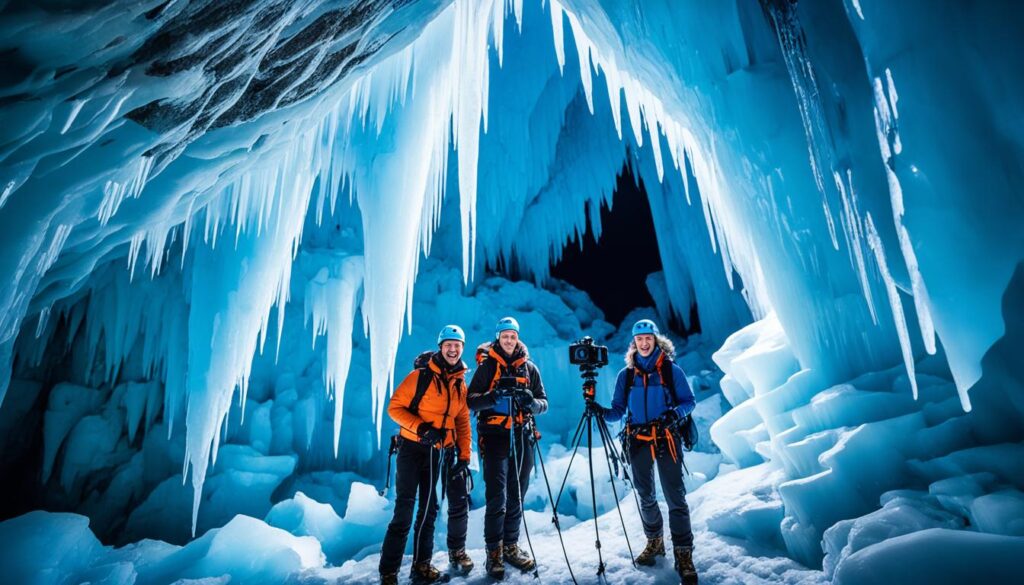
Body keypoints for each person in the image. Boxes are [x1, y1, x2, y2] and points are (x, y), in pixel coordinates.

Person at [594, 319, 699, 584]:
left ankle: (684, 554)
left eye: (648, 338)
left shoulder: (670, 370)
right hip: (637, 438)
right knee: (645, 495)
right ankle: (655, 543)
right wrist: (601, 412)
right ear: (634, 343)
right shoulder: (626, 375)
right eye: (639, 339)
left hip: (666, 437)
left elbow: (689, 401)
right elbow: (618, 411)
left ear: (655, 340)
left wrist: (673, 416)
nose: (644, 343)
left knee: (675, 496)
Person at [379, 325, 474, 585]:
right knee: (404, 511)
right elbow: (394, 408)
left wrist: (464, 456)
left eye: (457, 345)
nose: (453, 349)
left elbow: (463, 421)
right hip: (412, 450)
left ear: (462, 348)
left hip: (438, 454)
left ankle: (421, 565)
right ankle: (389, 572)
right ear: (440, 347)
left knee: (429, 510)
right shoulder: (419, 377)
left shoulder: (460, 383)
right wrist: (422, 428)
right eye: (448, 345)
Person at [467, 316, 548, 579]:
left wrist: (531, 403)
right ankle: (494, 552)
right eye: (505, 336)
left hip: (522, 435)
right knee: (497, 496)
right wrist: (493, 397)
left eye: (513, 335)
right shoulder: (487, 367)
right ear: (498, 338)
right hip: (494, 436)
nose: (509, 340)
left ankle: (511, 545)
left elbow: (543, 402)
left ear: (517, 337)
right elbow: (471, 402)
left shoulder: (529, 368)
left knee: (517, 493)